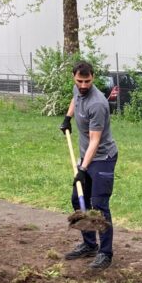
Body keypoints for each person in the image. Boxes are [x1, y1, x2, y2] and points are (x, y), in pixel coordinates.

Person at [59, 60, 118, 270]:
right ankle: (89, 244)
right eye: (79, 81)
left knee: (99, 206)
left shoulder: (98, 104)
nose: (83, 85)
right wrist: (68, 117)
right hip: (86, 156)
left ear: (93, 77)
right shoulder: (78, 90)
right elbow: (75, 99)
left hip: (102, 158)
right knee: (78, 200)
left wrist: (83, 169)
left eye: (87, 81)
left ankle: (105, 253)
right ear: (74, 78)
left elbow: (95, 140)